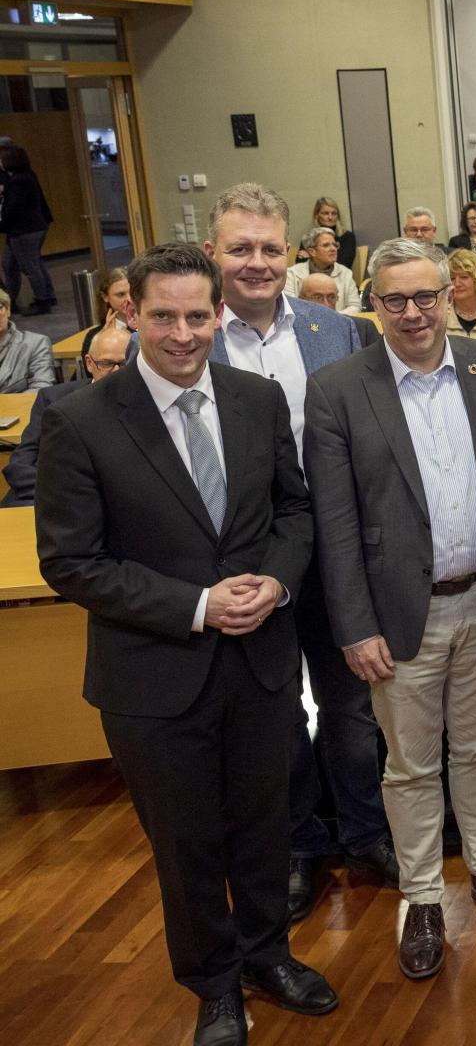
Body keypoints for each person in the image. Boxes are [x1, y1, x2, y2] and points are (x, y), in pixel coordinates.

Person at [36, 242, 338, 1046]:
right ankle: (213, 985)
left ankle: (269, 954)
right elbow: (70, 561)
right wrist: (197, 605)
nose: (182, 334)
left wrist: (275, 582)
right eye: (163, 315)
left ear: (219, 315)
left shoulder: (257, 398)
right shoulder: (79, 419)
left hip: (262, 665)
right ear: (130, 312)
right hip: (153, 678)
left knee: (265, 824)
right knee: (187, 842)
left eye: (197, 315)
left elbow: (294, 512)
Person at [305, 238, 476, 982]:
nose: (412, 313)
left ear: (451, 295)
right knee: (410, 767)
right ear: (371, 304)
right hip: (396, 614)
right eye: (394, 300)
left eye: (426, 297)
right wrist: (353, 624)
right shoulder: (339, 389)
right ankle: (420, 896)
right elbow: (336, 520)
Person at [202, 183, 395, 922]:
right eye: (240, 249)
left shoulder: (334, 331)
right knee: (277, 713)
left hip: (340, 550)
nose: (257, 263)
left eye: (269, 249)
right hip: (247, 565)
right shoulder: (197, 339)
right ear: (215, 254)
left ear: (293, 252)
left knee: (351, 705)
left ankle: (365, 830)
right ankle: (300, 844)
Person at [1, 322, 128, 507]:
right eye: (107, 364)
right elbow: (22, 461)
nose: (117, 371)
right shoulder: (53, 399)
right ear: (89, 363)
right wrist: (56, 495)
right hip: (45, 495)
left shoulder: (149, 403)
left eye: (125, 364)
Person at [0, 143, 56, 313]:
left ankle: (42, 300)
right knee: (15, 263)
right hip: (29, 228)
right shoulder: (24, 177)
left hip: (24, 230)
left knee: (30, 266)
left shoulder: (19, 181)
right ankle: (13, 300)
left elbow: (14, 209)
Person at [283, 228, 363, 313]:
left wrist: (333, 318)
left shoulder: (345, 273)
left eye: (335, 245)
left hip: (337, 323)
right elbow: (291, 306)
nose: (333, 249)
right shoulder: (292, 274)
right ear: (312, 251)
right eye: (326, 245)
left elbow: (355, 306)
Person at [0, 286, 55, 390]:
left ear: (8, 310)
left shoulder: (36, 343)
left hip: (20, 406)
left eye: (0, 307)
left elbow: (41, 389)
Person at [78, 266, 136, 358]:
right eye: (121, 295)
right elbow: (91, 370)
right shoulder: (94, 336)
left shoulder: (148, 326)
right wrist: (103, 339)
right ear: (105, 297)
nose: (129, 299)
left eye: (132, 292)